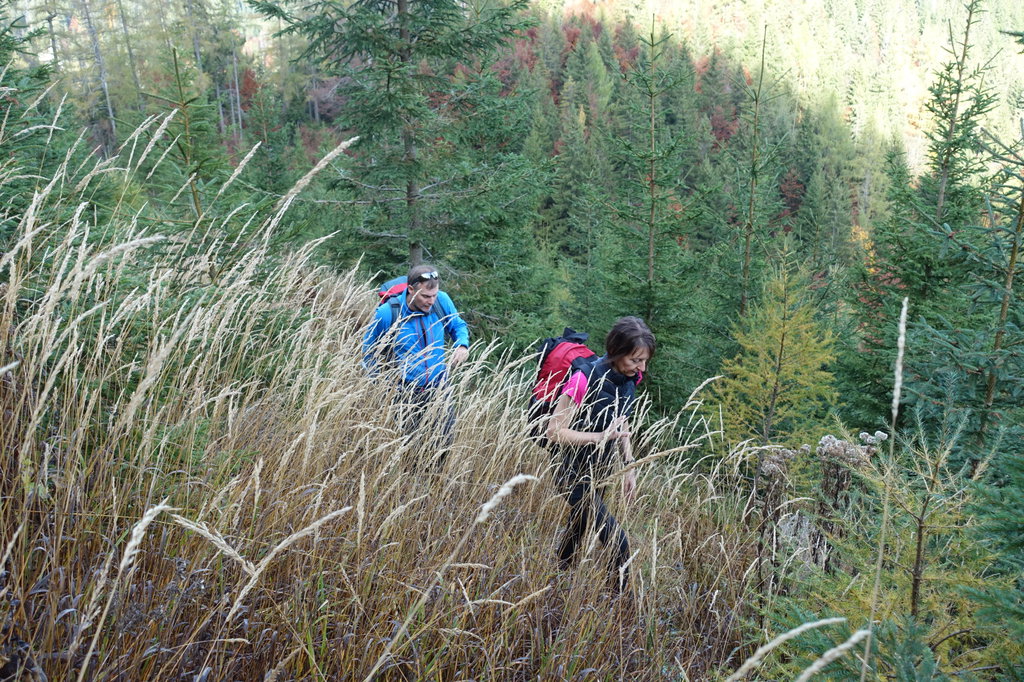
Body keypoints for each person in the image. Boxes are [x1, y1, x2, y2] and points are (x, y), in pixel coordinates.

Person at [546, 316, 655, 590]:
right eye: (635, 360)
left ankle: (558, 577)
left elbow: (622, 420)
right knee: (619, 543)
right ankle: (619, 603)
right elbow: (555, 431)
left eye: (644, 361)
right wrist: (598, 437)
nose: (641, 368)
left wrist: (629, 466)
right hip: (571, 471)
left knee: (579, 525)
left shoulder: (630, 378)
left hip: (601, 469)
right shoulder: (583, 378)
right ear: (616, 352)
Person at [362, 264, 470, 466]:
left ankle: (434, 481)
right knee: (411, 451)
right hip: (405, 393)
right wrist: (380, 384)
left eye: (434, 295)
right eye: (426, 296)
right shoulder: (388, 313)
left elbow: (458, 325)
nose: (431, 301)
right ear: (411, 289)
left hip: (440, 387)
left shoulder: (442, 301)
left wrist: (462, 345)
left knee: (443, 446)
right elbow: (368, 352)